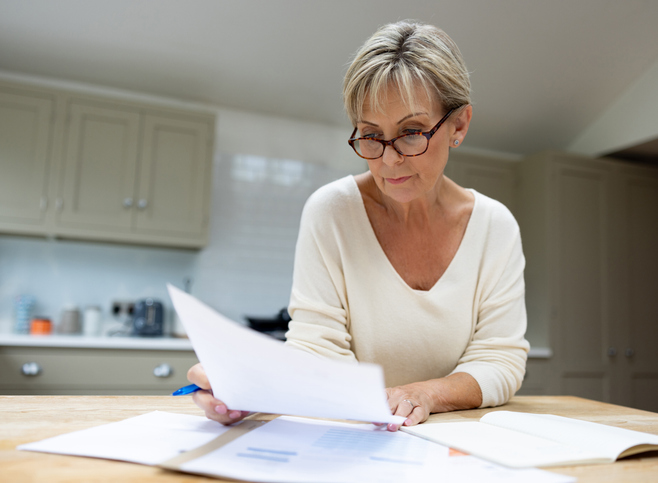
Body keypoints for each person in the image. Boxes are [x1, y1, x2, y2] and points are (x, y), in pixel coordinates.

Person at [187, 20, 529, 431]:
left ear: (458, 125)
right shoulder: (331, 211)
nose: (388, 160)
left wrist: (424, 395)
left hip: (457, 446)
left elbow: (500, 359)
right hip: (353, 438)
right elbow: (316, 347)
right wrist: (261, 389)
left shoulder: (495, 226)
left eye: (411, 132)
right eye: (370, 135)